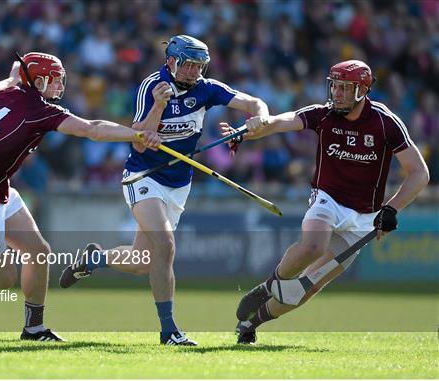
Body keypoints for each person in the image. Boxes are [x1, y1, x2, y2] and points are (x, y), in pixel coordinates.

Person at [0, 52, 160, 341]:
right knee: (2, 279)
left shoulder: (6, 93)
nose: (59, 86)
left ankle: (34, 328)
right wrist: (136, 136)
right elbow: (92, 129)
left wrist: (12, 78)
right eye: (54, 80)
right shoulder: (37, 110)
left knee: (39, 252)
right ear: (37, 81)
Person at [59, 35, 270, 346]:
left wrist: (258, 119)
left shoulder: (207, 89)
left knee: (143, 260)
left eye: (200, 66)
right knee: (166, 244)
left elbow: (253, 103)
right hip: (144, 175)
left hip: (179, 183)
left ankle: (93, 260)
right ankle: (169, 330)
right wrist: (156, 111)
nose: (194, 72)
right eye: (188, 65)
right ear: (171, 61)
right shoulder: (151, 86)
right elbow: (137, 138)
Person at [220, 60, 429, 344]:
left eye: (344, 87)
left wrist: (392, 208)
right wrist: (249, 129)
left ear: (362, 91)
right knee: (314, 246)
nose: (337, 93)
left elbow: (419, 173)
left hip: (364, 216)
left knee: (307, 287)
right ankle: (270, 285)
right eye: (334, 86)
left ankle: (251, 323)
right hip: (327, 199)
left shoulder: (385, 122)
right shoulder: (324, 114)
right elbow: (283, 121)